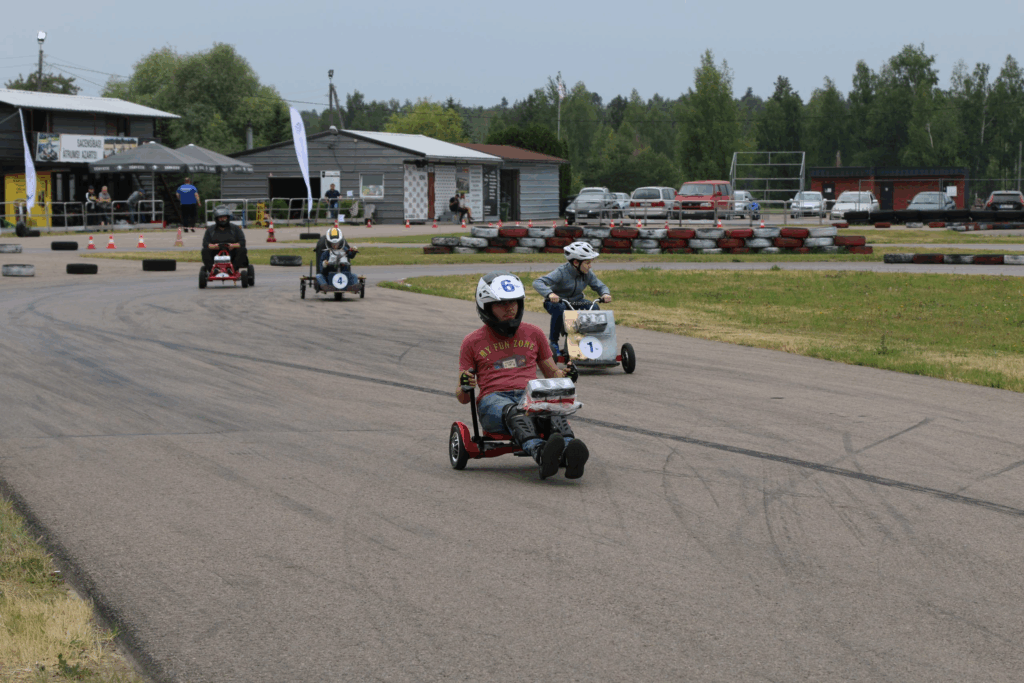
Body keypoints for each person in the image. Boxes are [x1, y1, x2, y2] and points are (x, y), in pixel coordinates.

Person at [457, 271, 589, 480]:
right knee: (517, 411)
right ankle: (540, 452)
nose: (510, 308)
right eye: (502, 304)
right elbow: (463, 397)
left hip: (530, 394)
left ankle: (568, 450)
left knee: (551, 408)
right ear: (486, 307)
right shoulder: (471, 342)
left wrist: (565, 375)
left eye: (513, 302)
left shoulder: (534, 333)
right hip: (494, 401)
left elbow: (552, 373)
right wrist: (465, 384)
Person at [532, 241, 612, 360]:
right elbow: (537, 282)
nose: (590, 266)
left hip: (576, 301)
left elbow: (600, 286)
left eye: (590, 263)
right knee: (560, 309)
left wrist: (605, 294)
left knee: (593, 307)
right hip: (556, 302)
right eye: (587, 263)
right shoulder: (561, 272)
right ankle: (553, 343)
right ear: (576, 262)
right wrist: (550, 294)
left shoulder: (587, 274)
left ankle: (590, 341)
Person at [201, 205, 247, 272]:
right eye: (220, 217)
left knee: (242, 250)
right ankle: (213, 270)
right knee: (205, 251)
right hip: (216, 252)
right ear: (217, 218)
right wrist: (214, 246)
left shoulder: (235, 228)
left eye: (224, 217)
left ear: (228, 217)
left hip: (231, 252)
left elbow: (242, 242)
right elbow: (205, 243)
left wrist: (232, 245)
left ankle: (233, 269)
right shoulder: (210, 230)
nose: (222, 219)